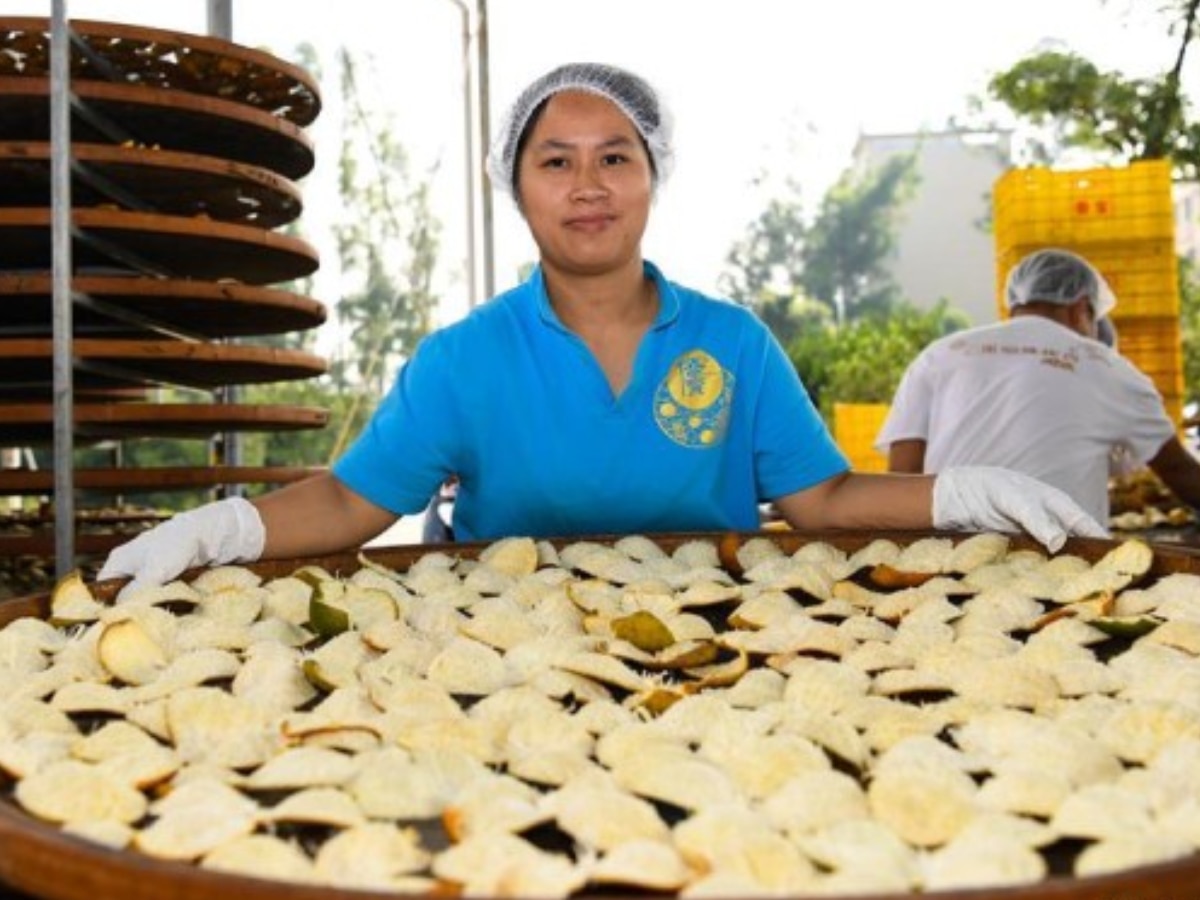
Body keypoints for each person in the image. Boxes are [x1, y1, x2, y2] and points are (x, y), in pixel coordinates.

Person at [99, 63, 1105, 593]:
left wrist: (965, 491)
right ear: (517, 188)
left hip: (717, 645)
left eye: (616, 158)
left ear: (652, 178)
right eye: (556, 161)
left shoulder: (733, 344)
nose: (588, 186)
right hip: (508, 650)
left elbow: (826, 500)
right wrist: (225, 526)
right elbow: (351, 507)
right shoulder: (466, 360)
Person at [877, 246, 1200, 527]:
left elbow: (902, 477)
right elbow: (1179, 471)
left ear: (1016, 302)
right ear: (1080, 308)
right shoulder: (1108, 366)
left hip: (954, 566)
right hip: (1068, 568)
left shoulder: (940, 354)